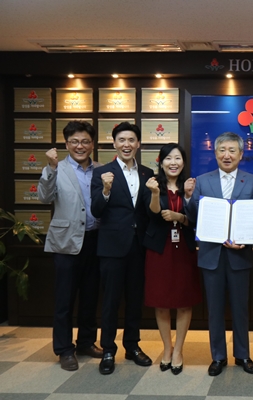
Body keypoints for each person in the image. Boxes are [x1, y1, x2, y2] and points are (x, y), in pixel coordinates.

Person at [186, 132, 253, 376]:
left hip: (240, 255)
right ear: (215, 153)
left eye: (232, 150)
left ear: (241, 154)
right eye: (222, 150)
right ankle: (218, 356)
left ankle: (243, 354)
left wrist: (244, 241)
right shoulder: (202, 181)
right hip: (212, 255)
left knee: (241, 308)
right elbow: (194, 217)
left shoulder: (252, 181)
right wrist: (188, 197)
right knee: (214, 310)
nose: (227, 155)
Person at [38, 120, 103, 371]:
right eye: (74, 141)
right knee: (64, 300)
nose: (80, 146)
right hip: (66, 243)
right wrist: (51, 168)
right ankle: (64, 349)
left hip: (95, 240)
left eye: (85, 141)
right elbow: (44, 197)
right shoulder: (57, 168)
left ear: (92, 144)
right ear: (66, 144)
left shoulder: (101, 169)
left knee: (90, 296)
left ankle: (86, 342)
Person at [91, 122, 153, 375]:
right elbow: (96, 210)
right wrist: (106, 189)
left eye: (131, 140)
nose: (127, 144)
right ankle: (108, 349)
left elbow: (148, 211)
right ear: (114, 143)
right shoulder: (102, 172)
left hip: (139, 246)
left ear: (138, 144)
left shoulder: (147, 173)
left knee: (135, 300)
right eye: (122, 140)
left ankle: (132, 346)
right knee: (110, 301)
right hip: (112, 247)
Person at [143, 143, 202, 375]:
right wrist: (155, 194)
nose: (173, 163)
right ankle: (167, 349)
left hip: (184, 249)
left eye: (178, 158)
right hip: (159, 249)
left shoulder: (191, 185)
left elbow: (196, 218)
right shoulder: (152, 184)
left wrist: (181, 215)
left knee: (184, 301)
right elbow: (152, 213)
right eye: (168, 158)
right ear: (161, 162)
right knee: (161, 301)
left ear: (184, 162)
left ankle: (179, 350)